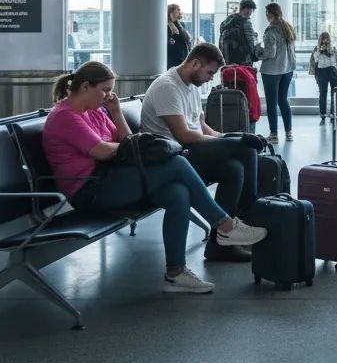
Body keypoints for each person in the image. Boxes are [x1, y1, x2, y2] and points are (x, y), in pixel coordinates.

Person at [43, 61, 267, 294]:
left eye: (111, 90)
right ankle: (225, 225)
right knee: (176, 164)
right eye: (104, 89)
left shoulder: (95, 111)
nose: (108, 95)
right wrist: (133, 148)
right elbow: (101, 151)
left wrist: (116, 113)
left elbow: (126, 140)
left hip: (110, 178)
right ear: (85, 87)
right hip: (90, 191)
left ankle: (176, 272)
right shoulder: (65, 117)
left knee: (177, 193)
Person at [142, 43, 266, 263]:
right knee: (245, 149)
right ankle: (250, 213)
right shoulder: (167, 86)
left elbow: (201, 128)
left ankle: (219, 246)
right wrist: (234, 142)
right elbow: (184, 136)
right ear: (195, 64)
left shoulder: (191, 86)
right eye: (209, 72)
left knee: (233, 169)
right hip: (172, 159)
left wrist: (228, 136)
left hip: (189, 153)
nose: (210, 78)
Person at [260, 2, 297, 143]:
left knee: (271, 103)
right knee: (283, 100)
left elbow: (270, 53)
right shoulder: (288, 28)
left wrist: (258, 52)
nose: (265, 16)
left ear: (271, 14)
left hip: (272, 71)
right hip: (287, 69)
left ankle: (274, 135)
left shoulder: (271, 30)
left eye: (266, 13)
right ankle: (289, 133)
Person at [309, 31, 337, 124]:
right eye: (323, 38)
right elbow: (315, 60)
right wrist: (320, 51)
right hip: (321, 71)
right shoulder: (317, 49)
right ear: (320, 39)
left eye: (327, 38)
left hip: (332, 70)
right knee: (323, 93)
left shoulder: (333, 48)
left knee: (334, 93)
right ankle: (323, 114)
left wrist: (335, 68)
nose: (325, 40)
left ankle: (333, 114)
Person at [218, 0, 261, 67]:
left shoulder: (228, 20)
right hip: (244, 59)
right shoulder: (246, 23)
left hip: (228, 59)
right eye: (251, 10)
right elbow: (250, 41)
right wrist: (255, 54)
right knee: (243, 74)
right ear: (246, 9)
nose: (251, 12)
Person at [166, 3, 192, 69]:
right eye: (178, 10)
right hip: (171, 56)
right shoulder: (165, 24)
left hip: (182, 56)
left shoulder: (181, 25)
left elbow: (185, 39)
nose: (180, 12)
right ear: (171, 12)